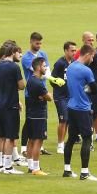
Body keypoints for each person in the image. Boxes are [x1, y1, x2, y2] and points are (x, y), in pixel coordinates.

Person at [0, 42, 26, 174]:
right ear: (12, 53)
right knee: (10, 137)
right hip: (10, 105)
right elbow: (21, 86)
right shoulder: (14, 67)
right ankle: (8, 166)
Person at [64, 44, 97, 181]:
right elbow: (95, 89)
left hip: (71, 106)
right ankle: (84, 172)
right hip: (83, 108)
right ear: (87, 55)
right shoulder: (86, 71)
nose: (92, 59)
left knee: (71, 138)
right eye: (92, 56)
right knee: (86, 138)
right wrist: (87, 89)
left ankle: (67, 169)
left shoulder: (71, 67)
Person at [19, 32, 50, 160]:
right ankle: (24, 148)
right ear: (31, 42)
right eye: (37, 43)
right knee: (30, 121)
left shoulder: (43, 54)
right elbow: (39, 72)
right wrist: (49, 77)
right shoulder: (26, 57)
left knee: (42, 119)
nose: (39, 45)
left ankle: (39, 147)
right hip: (31, 93)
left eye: (40, 43)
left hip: (42, 90)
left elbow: (46, 70)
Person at [24, 56, 53, 175]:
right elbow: (49, 98)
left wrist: (44, 95)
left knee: (31, 140)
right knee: (38, 141)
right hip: (39, 115)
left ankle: (31, 166)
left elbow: (45, 96)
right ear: (39, 67)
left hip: (31, 114)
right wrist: (47, 95)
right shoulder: (39, 83)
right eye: (44, 66)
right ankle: (36, 168)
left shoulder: (31, 80)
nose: (46, 68)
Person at [51, 41, 76, 154]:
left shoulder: (74, 62)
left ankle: (65, 142)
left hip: (71, 96)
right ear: (66, 51)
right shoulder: (60, 63)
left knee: (69, 120)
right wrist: (58, 83)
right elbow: (52, 80)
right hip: (60, 96)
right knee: (63, 119)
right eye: (72, 50)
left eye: (75, 50)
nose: (74, 52)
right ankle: (60, 144)